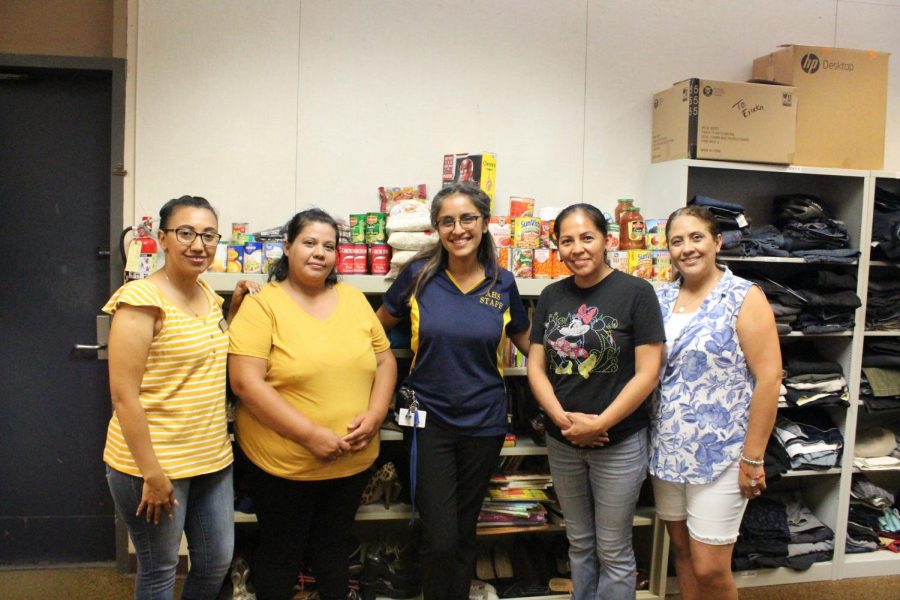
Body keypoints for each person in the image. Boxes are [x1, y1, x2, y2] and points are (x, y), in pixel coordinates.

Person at [228, 208, 397, 600]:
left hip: (351, 460)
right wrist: (310, 435)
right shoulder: (262, 305)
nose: (319, 253)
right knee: (281, 556)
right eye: (309, 243)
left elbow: (385, 360)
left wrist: (374, 415)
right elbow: (244, 382)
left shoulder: (353, 300)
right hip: (284, 465)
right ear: (286, 247)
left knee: (334, 551)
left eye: (329, 246)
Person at [376, 183, 530, 600]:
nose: (458, 229)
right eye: (447, 221)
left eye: (467, 219)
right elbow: (373, 332)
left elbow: (530, 346)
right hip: (430, 423)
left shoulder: (503, 283)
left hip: (485, 422)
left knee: (463, 533)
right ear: (436, 229)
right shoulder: (418, 275)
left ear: (484, 224)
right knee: (440, 535)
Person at [104, 195, 258, 599]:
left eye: (208, 235)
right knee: (159, 569)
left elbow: (207, 351)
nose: (198, 244)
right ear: (163, 239)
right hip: (154, 462)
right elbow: (123, 397)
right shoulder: (140, 301)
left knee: (214, 562)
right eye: (186, 233)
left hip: (210, 456)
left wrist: (236, 307)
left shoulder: (206, 293)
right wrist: (152, 474)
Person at [527, 203, 663, 600]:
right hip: (562, 439)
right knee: (579, 543)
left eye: (587, 237)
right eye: (566, 240)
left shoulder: (637, 292)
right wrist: (563, 420)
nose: (577, 248)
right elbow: (536, 366)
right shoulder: (552, 295)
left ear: (607, 240)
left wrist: (599, 423)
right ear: (557, 246)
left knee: (614, 549)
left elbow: (648, 372)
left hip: (617, 442)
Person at [649, 206, 781, 600]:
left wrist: (753, 457)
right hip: (668, 449)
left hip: (722, 452)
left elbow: (769, 378)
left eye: (696, 237)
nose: (687, 248)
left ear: (717, 242)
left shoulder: (743, 296)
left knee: (710, 566)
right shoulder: (661, 297)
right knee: (685, 555)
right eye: (677, 241)